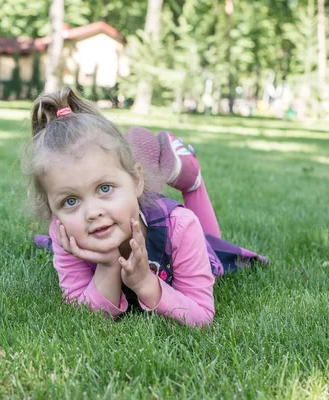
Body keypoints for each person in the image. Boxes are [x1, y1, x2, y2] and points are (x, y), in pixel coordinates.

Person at [27, 87, 267, 328]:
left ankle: (191, 179)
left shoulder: (181, 227)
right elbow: (85, 318)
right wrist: (108, 264)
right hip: (138, 205)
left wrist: (144, 282)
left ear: (137, 181)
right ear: (52, 209)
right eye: (70, 201)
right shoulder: (64, 233)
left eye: (105, 188)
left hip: (173, 230)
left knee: (211, 249)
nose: (92, 213)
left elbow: (201, 316)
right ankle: (138, 170)